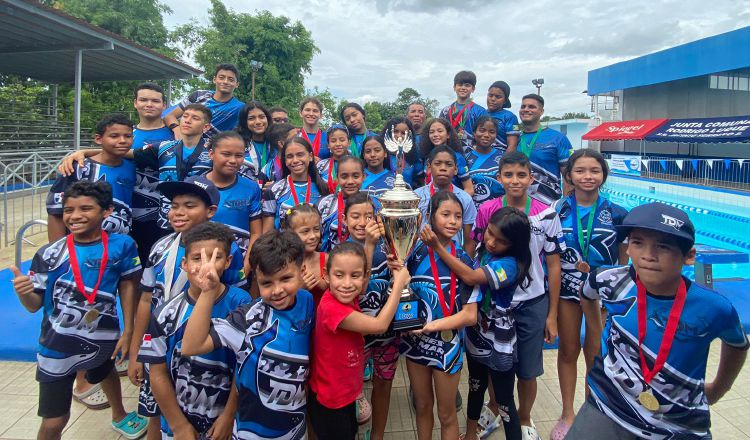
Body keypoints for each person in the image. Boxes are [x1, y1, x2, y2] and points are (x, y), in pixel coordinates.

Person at [567, 203, 749, 439]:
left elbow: (737, 344)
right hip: (607, 406)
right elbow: (587, 295)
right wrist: (598, 330)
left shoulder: (713, 308)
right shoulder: (608, 279)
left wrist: (719, 387)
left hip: (678, 424)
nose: (648, 256)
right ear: (628, 247)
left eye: (662, 246)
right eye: (638, 242)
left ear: (689, 256)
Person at [11, 181, 147, 440]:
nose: (74, 216)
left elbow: (129, 286)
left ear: (106, 211)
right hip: (56, 347)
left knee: (105, 371)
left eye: (85, 208)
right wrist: (24, 292)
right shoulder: (50, 253)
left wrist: (129, 331)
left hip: (104, 337)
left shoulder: (122, 245)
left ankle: (119, 415)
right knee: (55, 420)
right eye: (68, 210)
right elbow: (33, 306)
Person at [128, 176, 246, 437]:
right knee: (156, 414)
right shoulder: (160, 247)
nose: (179, 212)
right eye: (174, 205)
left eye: (189, 205)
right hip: (162, 344)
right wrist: (137, 351)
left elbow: (234, 296)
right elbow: (146, 300)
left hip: (210, 353)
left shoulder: (227, 249)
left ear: (210, 211)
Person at [182, 230, 315, 439]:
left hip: (295, 426)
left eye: (286, 278)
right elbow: (191, 346)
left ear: (302, 271)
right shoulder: (247, 319)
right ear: (257, 280)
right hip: (251, 430)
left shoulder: (308, 301)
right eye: (267, 283)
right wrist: (208, 291)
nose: (277, 290)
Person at [472, 151, 565, 440]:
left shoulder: (546, 213)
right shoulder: (487, 210)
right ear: (499, 178)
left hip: (531, 303)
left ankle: (524, 418)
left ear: (531, 178)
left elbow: (553, 265)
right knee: (494, 363)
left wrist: (551, 315)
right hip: (495, 304)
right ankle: (496, 407)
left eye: (521, 175)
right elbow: (479, 251)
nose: (515, 180)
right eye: (509, 175)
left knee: (527, 369)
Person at [426, 207, 533, 440]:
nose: (492, 242)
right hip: (477, 332)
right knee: (475, 386)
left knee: (505, 403)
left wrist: (437, 248)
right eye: (489, 233)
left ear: (514, 244)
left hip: (499, 338)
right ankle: (472, 433)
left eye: (501, 240)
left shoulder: (510, 265)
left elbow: (471, 277)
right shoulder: (484, 251)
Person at [549, 149, 628, 439]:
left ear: (603, 175)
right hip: (568, 291)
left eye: (594, 170)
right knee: (568, 350)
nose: (587, 176)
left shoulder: (617, 213)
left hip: (601, 295)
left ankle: (590, 410)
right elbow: (551, 256)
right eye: (580, 170)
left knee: (596, 354)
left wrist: (615, 295)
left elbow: (623, 260)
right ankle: (568, 412)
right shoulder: (557, 209)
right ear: (569, 174)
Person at [59, 104, 215, 234]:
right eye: (185, 116)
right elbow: (126, 153)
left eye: (195, 118)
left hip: (201, 218)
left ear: (206, 126)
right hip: (168, 219)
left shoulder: (214, 151)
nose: (187, 121)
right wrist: (84, 152)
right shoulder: (163, 147)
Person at [309, 242, 411, 440]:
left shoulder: (343, 295)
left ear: (364, 276)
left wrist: (391, 267)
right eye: (339, 275)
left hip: (345, 394)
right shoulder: (332, 308)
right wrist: (398, 284)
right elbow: (380, 325)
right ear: (325, 275)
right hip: (330, 401)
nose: (347, 284)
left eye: (354, 275)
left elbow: (362, 287)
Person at [403, 191, 478, 440]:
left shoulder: (465, 260)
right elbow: (404, 291)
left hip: (447, 344)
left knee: (447, 414)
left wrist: (432, 325)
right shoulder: (414, 254)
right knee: (422, 406)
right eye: (445, 214)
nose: (453, 221)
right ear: (430, 217)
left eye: (458, 216)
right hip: (415, 342)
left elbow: (470, 316)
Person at [344, 193, 396, 440]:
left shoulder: (390, 246)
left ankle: (377, 435)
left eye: (368, 216)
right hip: (354, 337)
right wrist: (368, 246)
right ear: (344, 221)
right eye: (355, 216)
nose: (362, 222)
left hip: (386, 335)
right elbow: (358, 288)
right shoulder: (341, 252)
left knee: (383, 385)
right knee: (350, 389)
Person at [47, 114, 136, 241]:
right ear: (99, 139)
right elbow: (55, 212)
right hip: (81, 245)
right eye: (114, 136)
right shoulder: (78, 168)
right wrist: (58, 250)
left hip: (118, 243)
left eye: (128, 136)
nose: (122, 140)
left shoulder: (132, 166)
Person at [132, 83, 174, 263]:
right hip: (131, 212)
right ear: (135, 103)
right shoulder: (127, 134)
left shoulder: (175, 134)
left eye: (155, 101)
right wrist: (83, 153)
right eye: (143, 100)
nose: (149, 104)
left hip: (166, 214)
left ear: (164, 105)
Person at [204, 131, 263, 258]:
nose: (233, 160)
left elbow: (256, 234)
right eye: (226, 154)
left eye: (239, 155)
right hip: (200, 259)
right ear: (211, 154)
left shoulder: (251, 188)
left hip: (238, 264)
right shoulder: (194, 186)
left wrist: (245, 269)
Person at [415, 146, 477, 255]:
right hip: (421, 258)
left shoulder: (464, 198)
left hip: (453, 257)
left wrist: (466, 266)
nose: (443, 168)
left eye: (449, 164)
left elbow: (469, 240)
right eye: (438, 163)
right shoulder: (416, 197)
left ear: (456, 169)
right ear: (429, 167)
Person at [262, 137, 329, 231]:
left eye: (300, 155)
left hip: (315, 244)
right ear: (285, 160)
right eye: (289, 156)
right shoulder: (273, 191)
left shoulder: (323, 188)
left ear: (310, 156)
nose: (295, 160)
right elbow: (267, 233)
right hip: (284, 245)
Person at [517, 94, 572, 205]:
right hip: (518, 205)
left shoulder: (559, 138)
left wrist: (565, 206)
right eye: (523, 106)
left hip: (548, 204)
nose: (526, 109)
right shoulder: (516, 139)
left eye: (531, 107)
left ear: (541, 111)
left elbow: (569, 177)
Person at [164, 63, 243, 139]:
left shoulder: (240, 108)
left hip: (215, 149)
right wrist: (177, 130)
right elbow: (169, 116)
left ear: (237, 84)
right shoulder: (198, 95)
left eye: (231, 79)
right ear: (214, 79)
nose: (225, 82)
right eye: (221, 77)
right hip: (186, 145)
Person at [317, 156, 366, 251]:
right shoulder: (323, 204)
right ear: (337, 178)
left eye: (356, 176)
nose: (350, 181)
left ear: (363, 177)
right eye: (344, 177)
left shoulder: (371, 205)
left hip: (361, 262)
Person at [283, 203, 328, 305]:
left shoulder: (326, 259)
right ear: (290, 233)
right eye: (305, 231)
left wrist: (327, 286)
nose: (313, 236)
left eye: (316, 229)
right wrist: (299, 288)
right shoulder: (284, 262)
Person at [418, 118, 473, 194]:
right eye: (432, 132)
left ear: (448, 135)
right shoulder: (428, 157)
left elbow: (469, 189)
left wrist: (454, 204)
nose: (435, 135)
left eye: (440, 131)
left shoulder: (457, 157)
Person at [438, 71, 487, 147]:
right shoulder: (445, 111)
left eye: (467, 85)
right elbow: (439, 131)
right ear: (454, 87)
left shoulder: (480, 111)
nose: (463, 88)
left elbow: (484, 134)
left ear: (473, 89)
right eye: (460, 85)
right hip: (449, 152)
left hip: (472, 152)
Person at [465, 115, 505, 207]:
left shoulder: (504, 158)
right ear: (474, 133)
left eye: (491, 132)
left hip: (500, 215)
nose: (486, 135)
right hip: (473, 215)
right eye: (482, 130)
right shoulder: (465, 158)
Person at [381, 116, 423, 187]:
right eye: (395, 131)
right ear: (388, 132)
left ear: (410, 135)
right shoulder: (380, 156)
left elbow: (420, 183)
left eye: (403, 133)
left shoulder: (413, 159)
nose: (399, 136)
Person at [237, 101, 273, 181]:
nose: (258, 122)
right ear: (244, 122)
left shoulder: (275, 144)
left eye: (262, 117)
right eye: (251, 118)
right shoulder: (237, 144)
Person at [361, 135, 400, 200]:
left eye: (377, 150)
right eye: (368, 151)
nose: (372, 155)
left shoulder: (396, 179)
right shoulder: (357, 178)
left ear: (385, 153)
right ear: (364, 155)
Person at [317, 124, 354, 194]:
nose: (338, 144)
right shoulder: (321, 166)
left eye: (342, 140)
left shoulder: (357, 164)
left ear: (349, 143)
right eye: (333, 141)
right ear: (328, 145)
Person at [486, 81, 519, 154]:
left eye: (498, 97)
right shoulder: (481, 114)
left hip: (500, 159)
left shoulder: (510, 117)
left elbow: (512, 146)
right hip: (481, 158)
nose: (493, 99)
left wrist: (503, 163)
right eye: (490, 95)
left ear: (505, 100)